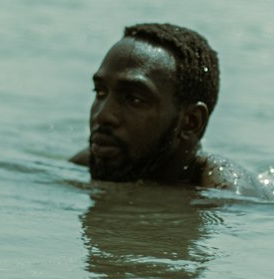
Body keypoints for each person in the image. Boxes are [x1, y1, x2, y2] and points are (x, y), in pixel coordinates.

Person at [71, 22, 232, 187]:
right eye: (100, 92)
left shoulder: (227, 195)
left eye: (134, 99)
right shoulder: (86, 162)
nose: (103, 116)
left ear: (191, 121)